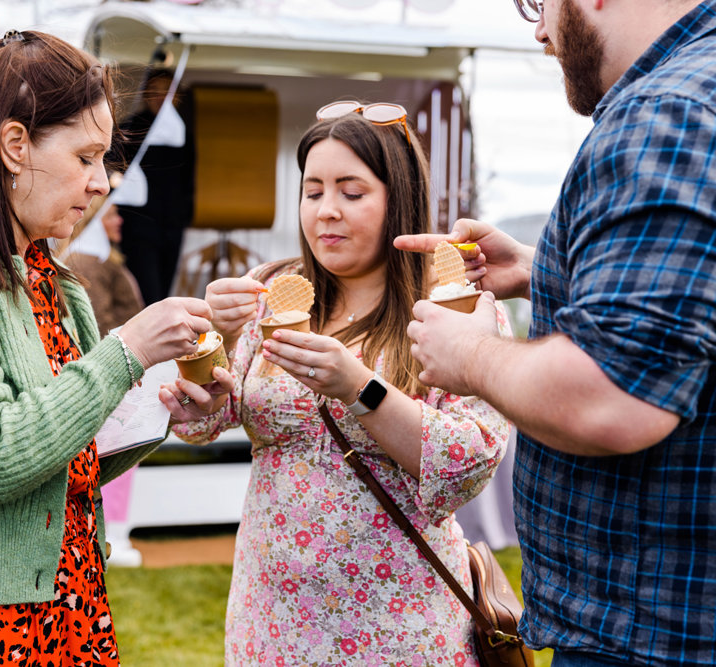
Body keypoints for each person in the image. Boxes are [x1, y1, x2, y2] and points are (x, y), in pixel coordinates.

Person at [0, 30, 213, 666]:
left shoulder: (51, 276)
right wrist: (127, 347)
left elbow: (63, 461)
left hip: (72, 610)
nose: (103, 183)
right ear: (15, 145)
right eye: (86, 157)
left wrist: (156, 410)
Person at [398, 1, 716, 665]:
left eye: (539, 3)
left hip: (648, 636)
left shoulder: (664, 111)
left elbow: (609, 397)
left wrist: (465, 354)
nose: (539, 29)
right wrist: (548, 272)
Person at [162, 108, 511, 665]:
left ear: (398, 198)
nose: (326, 211)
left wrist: (360, 388)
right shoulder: (272, 293)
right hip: (271, 620)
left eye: (352, 193)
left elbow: (471, 460)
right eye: (312, 191)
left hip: (398, 627)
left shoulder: (455, 305)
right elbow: (205, 423)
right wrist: (209, 350)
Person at [112, 69, 195, 305]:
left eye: (169, 92)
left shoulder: (183, 134)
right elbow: (113, 169)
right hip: (138, 226)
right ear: (145, 95)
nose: (162, 98)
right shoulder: (131, 127)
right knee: (146, 294)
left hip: (171, 225)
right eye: (156, 92)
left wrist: (183, 217)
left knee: (165, 288)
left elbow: (188, 181)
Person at [61, 173, 146, 338]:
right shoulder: (87, 262)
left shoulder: (100, 258)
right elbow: (100, 321)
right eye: (112, 215)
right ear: (94, 221)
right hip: (121, 349)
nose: (120, 220)